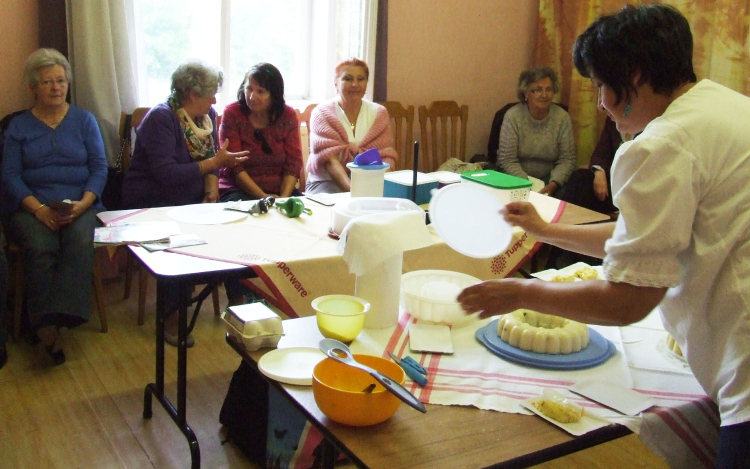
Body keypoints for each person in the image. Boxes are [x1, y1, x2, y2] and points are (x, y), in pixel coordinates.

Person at [458, 5, 750, 468]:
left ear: (632, 75)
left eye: (600, 86)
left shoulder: (661, 144)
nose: (599, 104)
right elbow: (644, 235)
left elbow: (627, 301)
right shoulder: (723, 105)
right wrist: (544, 229)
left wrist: (521, 292)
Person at [121, 60, 248, 347]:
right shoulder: (162, 119)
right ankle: (173, 314)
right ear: (192, 93)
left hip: (190, 198)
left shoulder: (208, 116)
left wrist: (212, 192)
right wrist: (213, 164)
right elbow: (167, 174)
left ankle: (239, 305)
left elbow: (214, 160)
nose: (215, 99)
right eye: (211, 93)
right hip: (152, 200)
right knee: (178, 238)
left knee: (231, 229)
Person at [1, 48, 108, 365]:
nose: (56, 87)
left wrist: (83, 204)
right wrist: (38, 210)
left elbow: (99, 168)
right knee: (41, 244)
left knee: (78, 242)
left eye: (61, 80)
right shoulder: (18, 127)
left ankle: (51, 326)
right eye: (47, 81)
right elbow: (9, 175)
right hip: (31, 206)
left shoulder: (84, 120)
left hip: (81, 203)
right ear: (33, 87)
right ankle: (49, 327)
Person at [305, 58, 397, 194]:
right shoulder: (322, 113)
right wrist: (354, 191)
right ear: (336, 83)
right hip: (327, 182)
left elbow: (386, 157)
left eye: (361, 79)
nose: (355, 84)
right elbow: (330, 162)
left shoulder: (379, 113)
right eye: (347, 79)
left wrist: (378, 187)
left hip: (370, 183)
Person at [218, 63, 303, 201]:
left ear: (274, 95)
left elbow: (293, 164)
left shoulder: (288, 115)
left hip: (279, 191)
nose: (252, 97)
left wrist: (283, 199)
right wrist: (265, 198)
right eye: (249, 89)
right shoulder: (232, 113)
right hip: (238, 190)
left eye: (261, 91)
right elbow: (234, 166)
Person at [496, 66, 576, 197]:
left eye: (548, 89)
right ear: (526, 93)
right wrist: (527, 184)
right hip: (517, 179)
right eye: (538, 90)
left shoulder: (562, 118)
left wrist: (554, 183)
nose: (544, 95)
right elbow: (507, 159)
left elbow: (567, 160)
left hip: (550, 181)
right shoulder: (513, 116)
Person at [561, 115, 625, 217]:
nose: (601, 106)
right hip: (612, 182)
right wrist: (599, 172)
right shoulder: (612, 118)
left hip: (632, 187)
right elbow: (602, 152)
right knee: (580, 178)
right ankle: (562, 223)